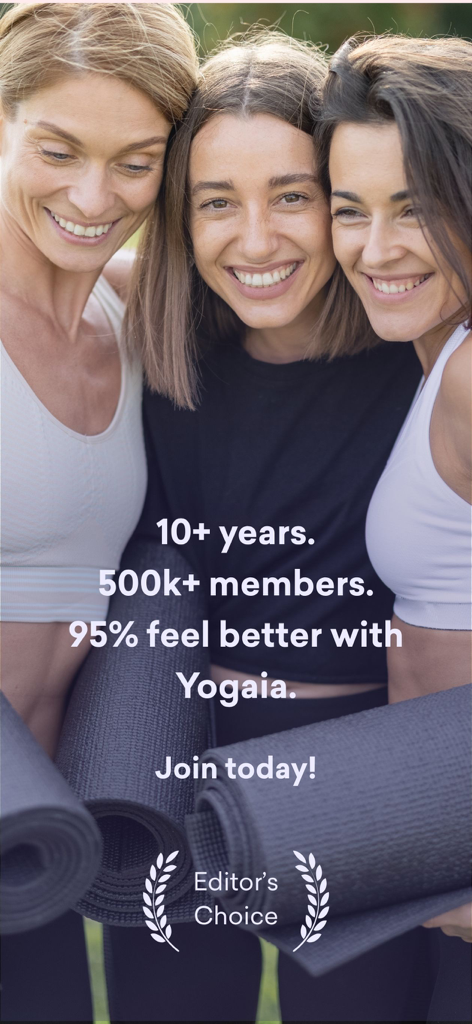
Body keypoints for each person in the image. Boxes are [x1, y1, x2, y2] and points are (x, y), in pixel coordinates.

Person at [104, 34, 434, 1023]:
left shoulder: (420, 360)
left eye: (292, 195)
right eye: (216, 201)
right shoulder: (147, 353)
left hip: (365, 783)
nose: (255, 239)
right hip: (174, 764)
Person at [0, 3, 198, 1019]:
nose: (93, 195)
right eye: (58, 148)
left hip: (38, 854)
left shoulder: (132, 310)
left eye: (136, 160)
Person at [316, 28, 472, 999]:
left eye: (413, 210)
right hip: (432, 865)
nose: (375, 250)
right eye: (349, 210)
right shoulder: (433, 353)